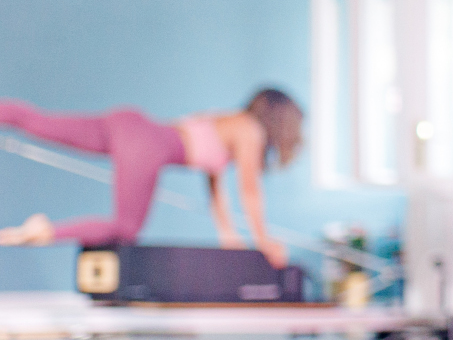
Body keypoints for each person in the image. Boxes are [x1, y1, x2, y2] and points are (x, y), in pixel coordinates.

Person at [0, 88, 305, 268]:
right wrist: (263, 240)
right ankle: (42, 231)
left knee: (38, 121)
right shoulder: (250, 130)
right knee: (125, 229)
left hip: (128, 125)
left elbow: (217, 187)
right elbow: (249, 190)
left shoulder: (227, 120)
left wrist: (228, 235)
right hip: (144, 144)